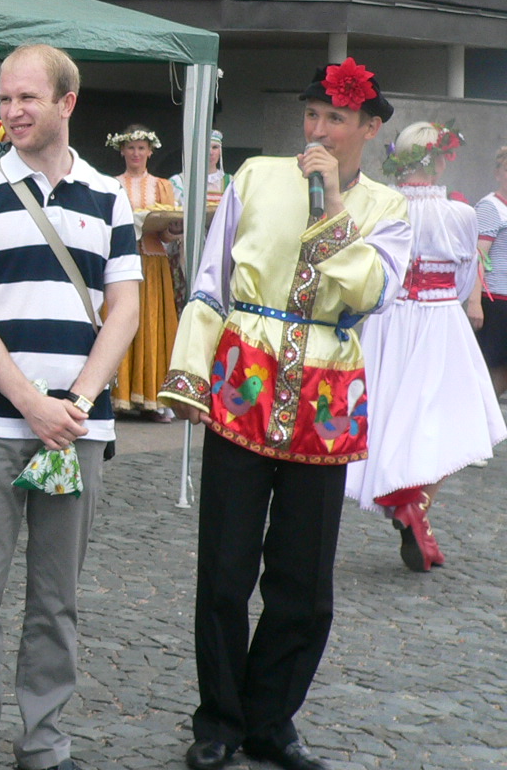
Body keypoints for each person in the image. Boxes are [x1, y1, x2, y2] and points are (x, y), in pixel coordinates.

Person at [159, 58, 411, 770]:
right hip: (245, 381)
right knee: (224, 567)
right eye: (311, 115)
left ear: (369, 127)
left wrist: (331, 206)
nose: (318, 130)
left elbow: (371, 292)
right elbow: (211, 279)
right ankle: (218, 720)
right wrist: (190, 373)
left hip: (326, 398)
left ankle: (272, 720)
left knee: (304, 581)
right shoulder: (256, 176)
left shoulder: (388, 209)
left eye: (336, 118)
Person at [0, 45, 140, 770]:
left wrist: (74, 403)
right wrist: (32, 403)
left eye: (27, 97)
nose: (12, 111)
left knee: (58, 598)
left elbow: (125, 310)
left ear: (67, 103)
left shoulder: (110, 197)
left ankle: (45, 745)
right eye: (5, 98)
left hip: (76, 427)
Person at [347, 122, 506, 570]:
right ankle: (416, 505)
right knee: (456, 415)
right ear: (438, 161)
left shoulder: (383, 206)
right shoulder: (459, 213)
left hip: (390, 319)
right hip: (438, 317)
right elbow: (464, 274)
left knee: (392, 412)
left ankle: (409, 504)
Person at [107, 123, 180, 421]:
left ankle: (152, 398)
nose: (136, 153)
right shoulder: (111, 185)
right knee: (118, 320)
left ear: (150, 152)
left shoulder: (162, 186)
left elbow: (167, 235)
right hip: (120, 260)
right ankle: (117, 396)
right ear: (122, 150)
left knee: (151, 324)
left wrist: (173, 228)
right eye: (131, 148)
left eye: (141, 148)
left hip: (152, 261)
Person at [473, 146, 507, 401]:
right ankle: (479, 414)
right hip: (497, 300)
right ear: (497, 173)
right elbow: (478, 256)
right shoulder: (490, 207)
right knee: (494, 368)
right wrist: (474, 302)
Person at [171, 130, 231, 213]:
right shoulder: (179, 181)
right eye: (205, 147)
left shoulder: (230, 182)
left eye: (215, 147)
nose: (210, 152)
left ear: (220, 151)